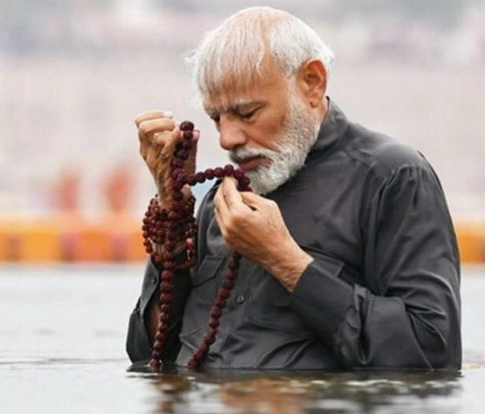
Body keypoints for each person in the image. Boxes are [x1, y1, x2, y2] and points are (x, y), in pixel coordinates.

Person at [126, 7, 461, 370]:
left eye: (247, 113)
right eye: (216, 117)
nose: (227, 138)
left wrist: (285, 261)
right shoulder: (225, 199)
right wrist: (172, 211)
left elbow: (432, 355)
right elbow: (147, 354)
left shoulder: (393, 178)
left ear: (313, 82)